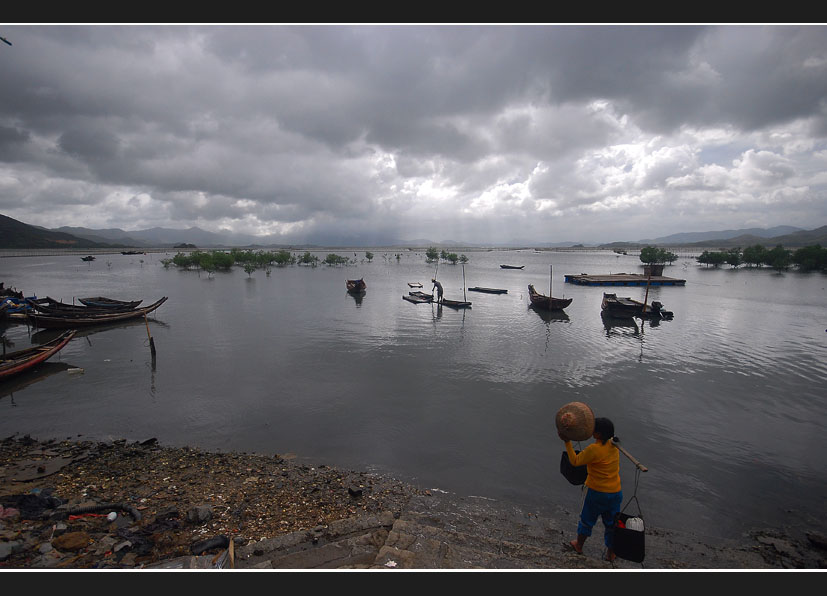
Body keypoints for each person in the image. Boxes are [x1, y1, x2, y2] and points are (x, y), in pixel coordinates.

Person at [560, 417, 622, 561]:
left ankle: (579, 545)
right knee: (612, 523)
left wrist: (567, 442)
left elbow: (575, 461)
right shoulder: (615, 445)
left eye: (594, 429)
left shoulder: (595, 449)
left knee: (587, 520)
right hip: (615, 492)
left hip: (596, 492)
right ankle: (611, 553)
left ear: (598, 434)